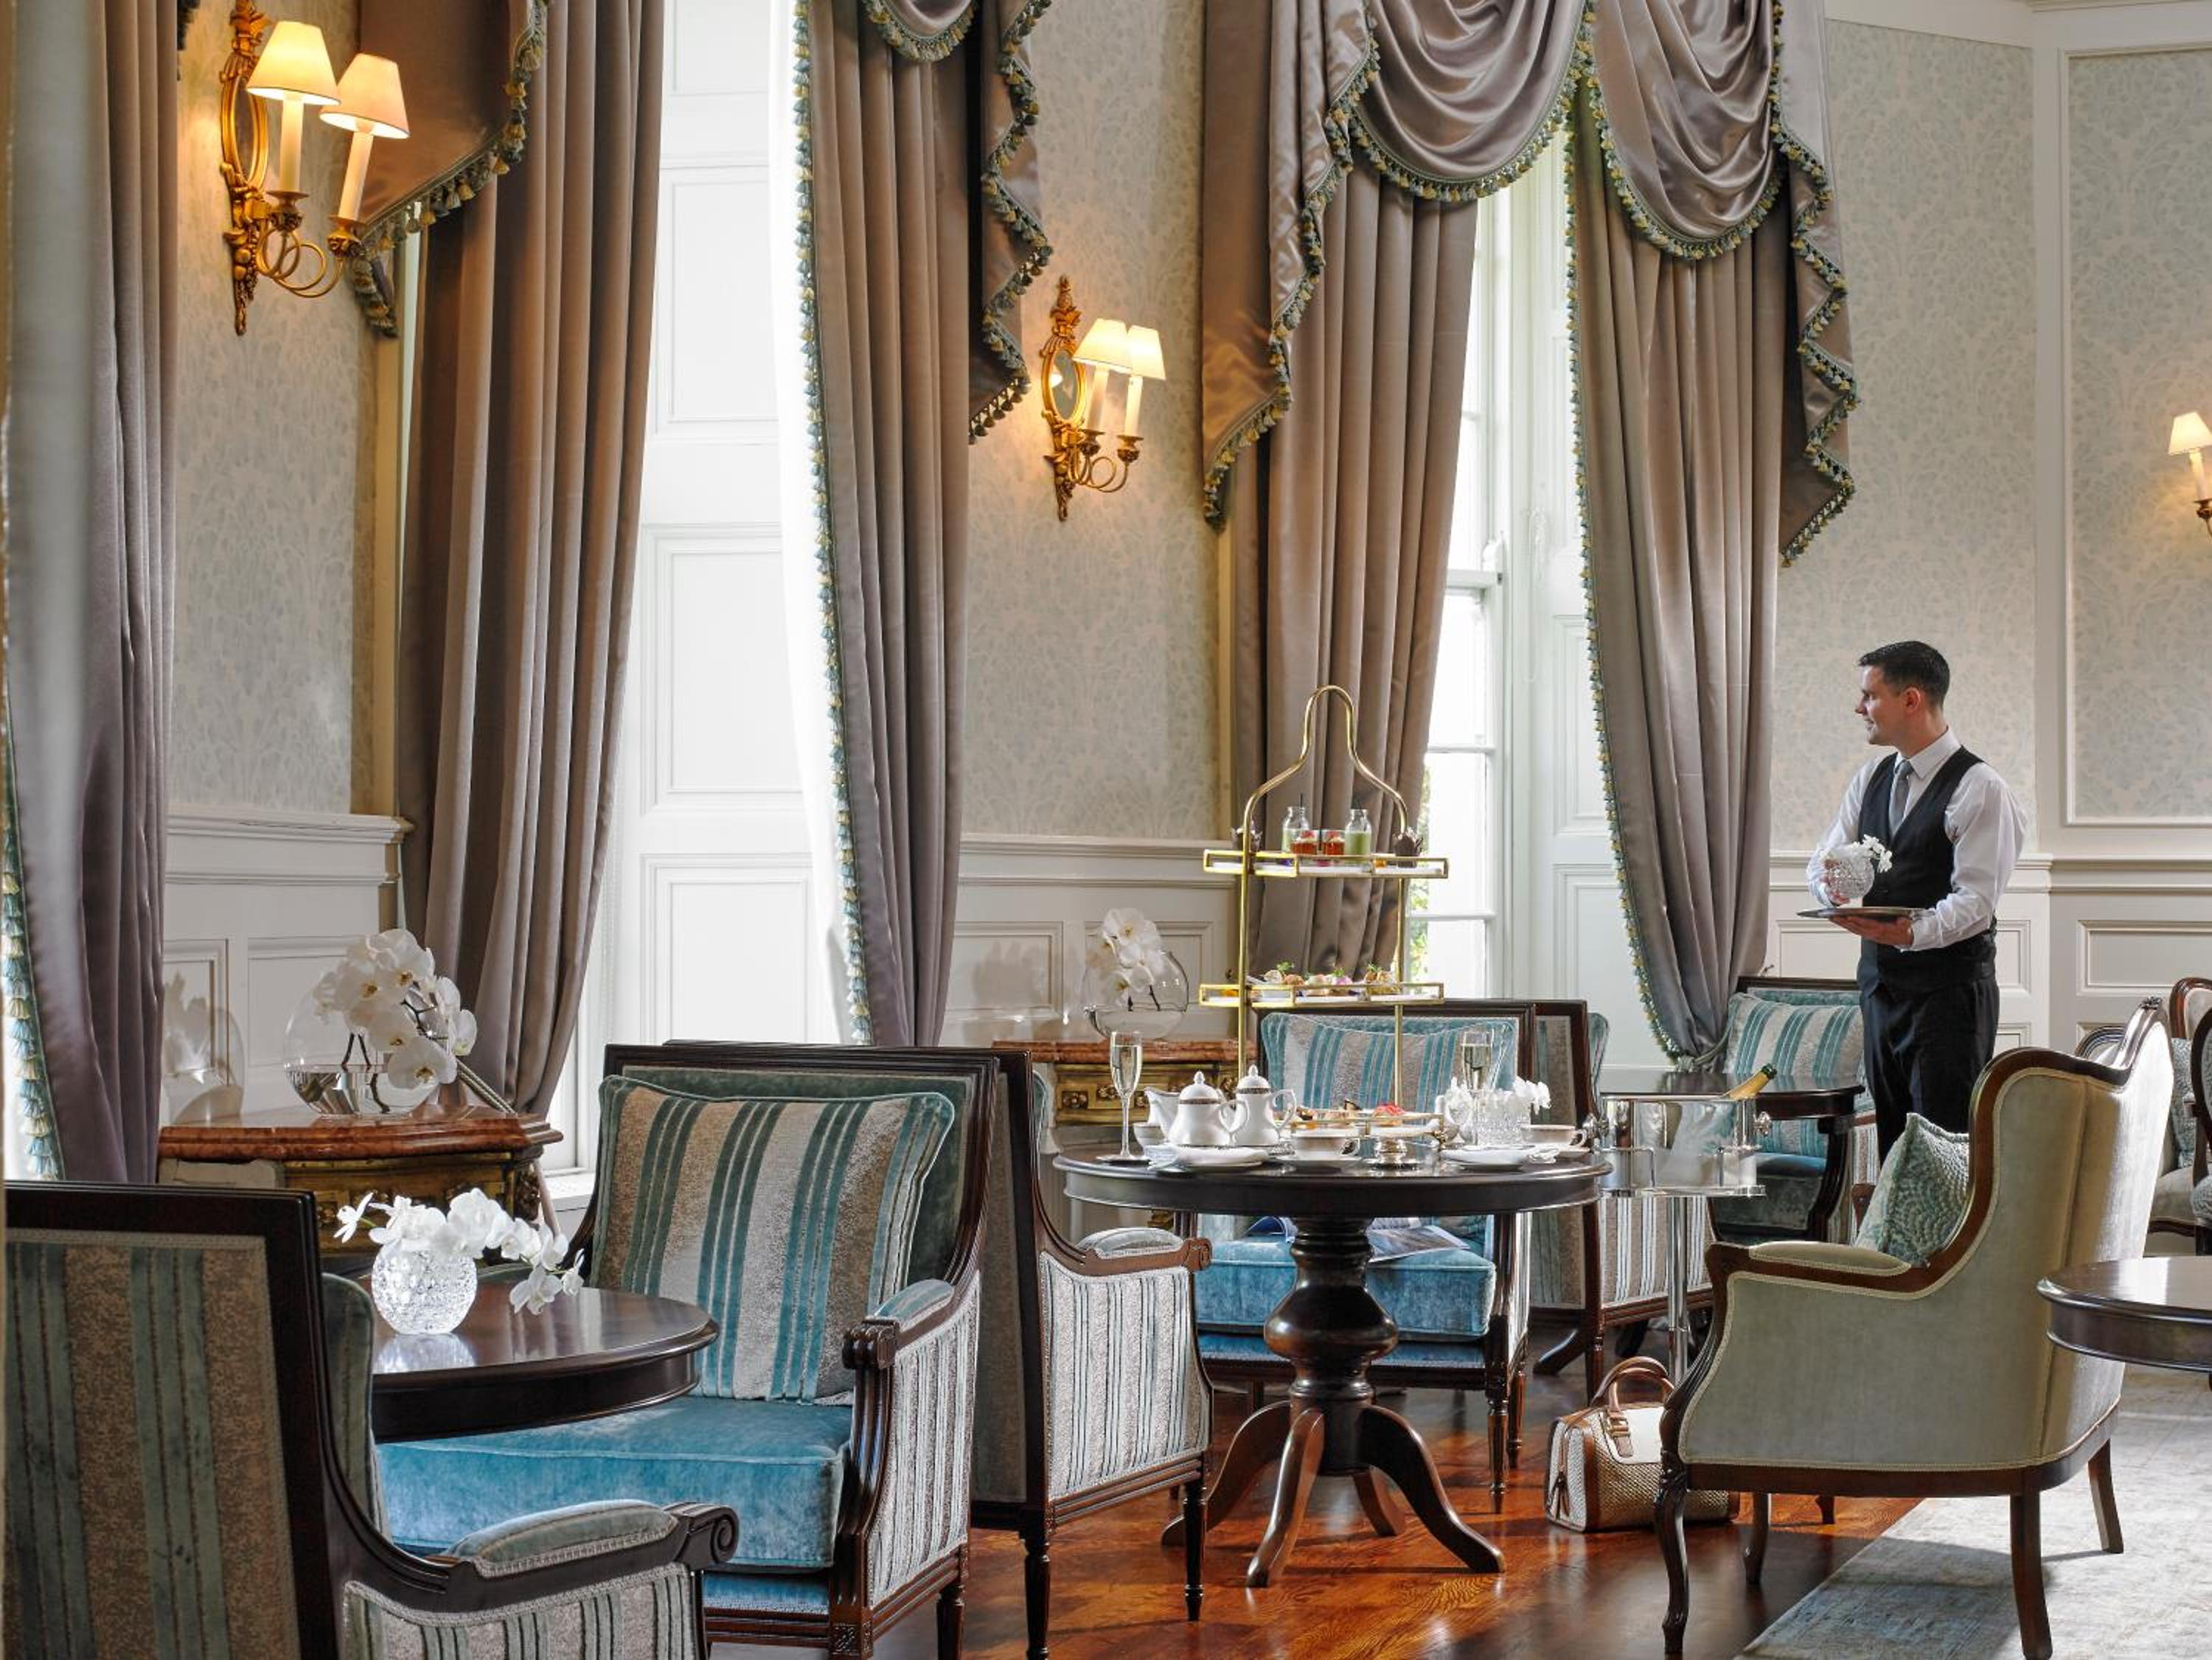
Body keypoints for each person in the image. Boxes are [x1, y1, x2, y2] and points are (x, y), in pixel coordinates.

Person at [1809, 641, 2027, 1156]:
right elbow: (1824, 858)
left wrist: (1908, 933)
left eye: (1869, 695)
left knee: (1944, 1151)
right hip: (1880, 991)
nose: (1859, 708)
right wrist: (1830, 888)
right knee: (1895, 1146)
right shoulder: (1871, 778)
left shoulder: (1980, 787)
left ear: (1911, 699)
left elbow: (1976, 901)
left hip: (1948, 997)